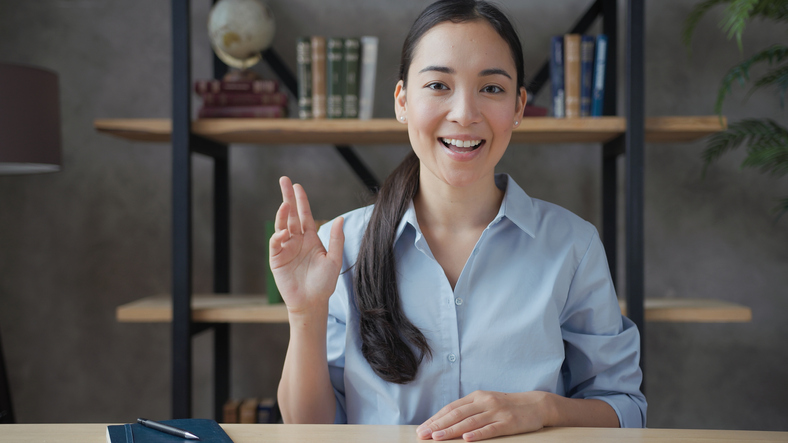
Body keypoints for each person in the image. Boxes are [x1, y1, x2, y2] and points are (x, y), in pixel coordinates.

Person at [271, 0, 647, 441]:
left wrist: (541, 408)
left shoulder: (573, 246)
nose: (465, 113)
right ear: (402, 102)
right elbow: (309, 430)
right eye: (438, 85)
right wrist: (305, 313)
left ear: (520, 106)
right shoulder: (342, 247)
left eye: (492, 89)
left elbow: (626, 409)